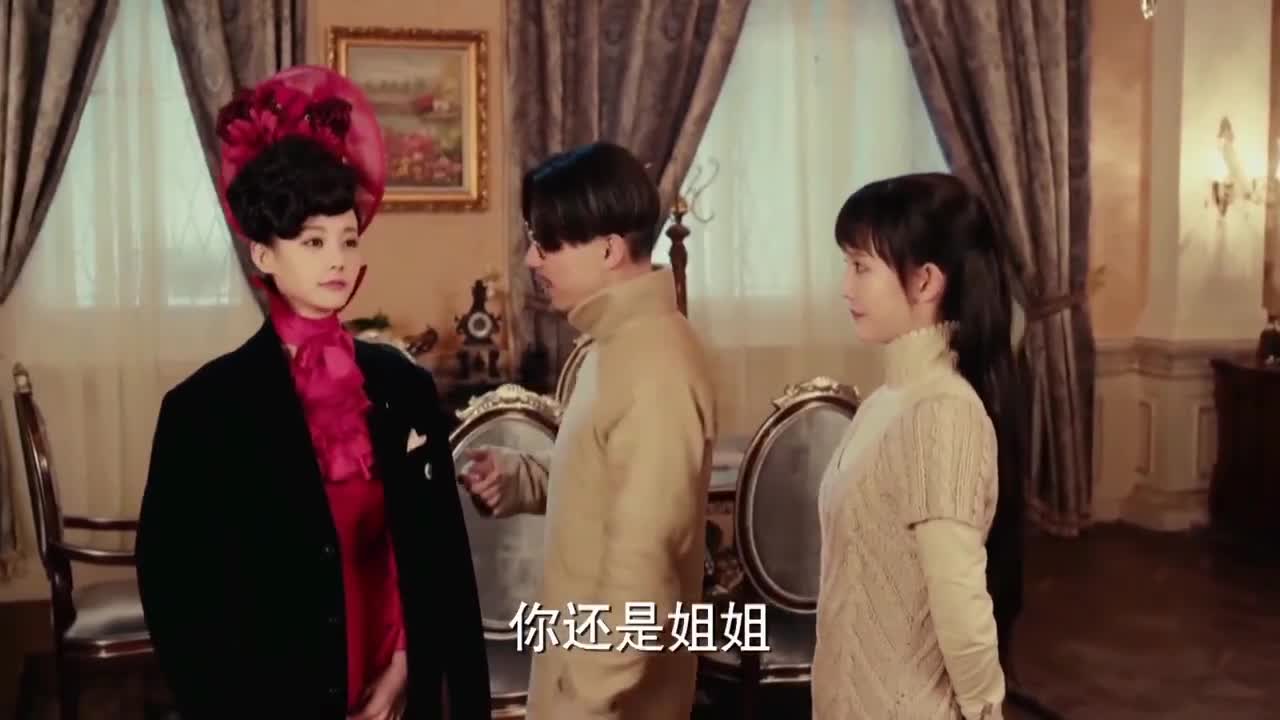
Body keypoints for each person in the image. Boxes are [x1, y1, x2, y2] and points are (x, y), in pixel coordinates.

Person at [135, 66, 490, 720]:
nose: (337, 260)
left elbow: (438, 559)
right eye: (312, 241)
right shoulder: (202, 411)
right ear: (264, 256)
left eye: (347, 240)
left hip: (395, 684)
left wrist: (405, 669)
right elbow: (176, 590)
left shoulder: (402, 386)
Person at [458, 142, 717, 720]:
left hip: (607, 701)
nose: (532, 259)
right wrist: (521, 479)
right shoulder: (614, 344)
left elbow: (643, 567)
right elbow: (606, 483)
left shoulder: (654, 364)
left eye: (547, 243)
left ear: (608, 249)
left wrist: (583, 697)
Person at [811, 172, 1027, 720]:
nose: (846, 287)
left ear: (926, 280)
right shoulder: (889, 399)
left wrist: (985, 710)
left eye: (861, 267)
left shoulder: (942, 413)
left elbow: (961, 605)